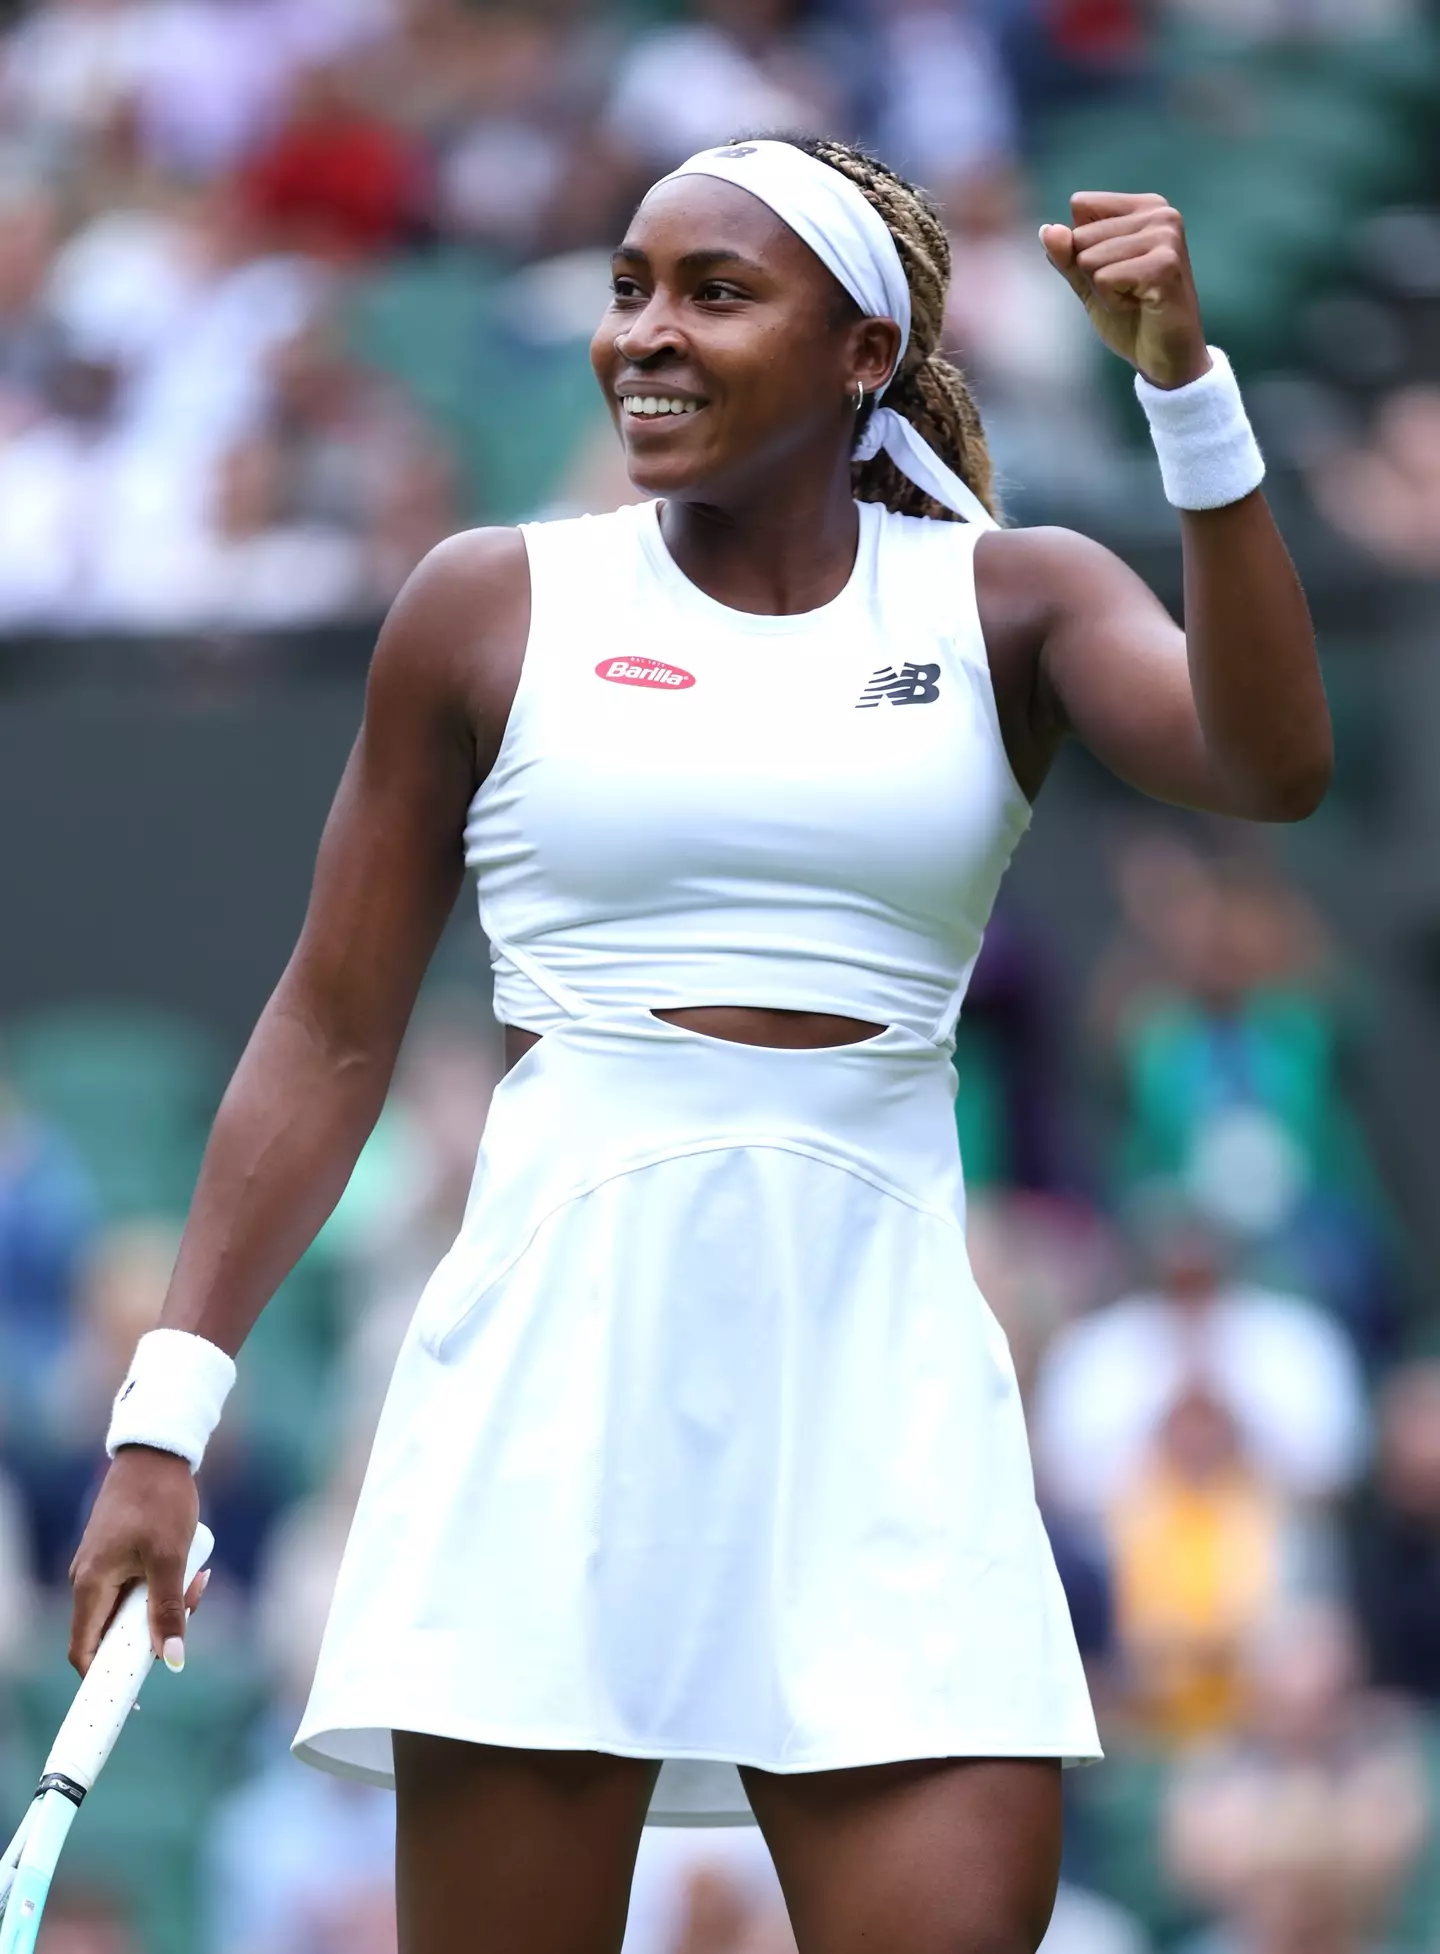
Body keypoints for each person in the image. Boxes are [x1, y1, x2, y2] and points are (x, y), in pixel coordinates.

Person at [67, 131, 1330, 1954]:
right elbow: (331, 1029)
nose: (644, 335)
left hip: (885, 1386)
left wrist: (1189, 399)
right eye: (630, 289)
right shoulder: (488, 604)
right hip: (552, 1385)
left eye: (715, 294)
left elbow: (1270, 765)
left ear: (864, 356)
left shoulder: (1012, 600)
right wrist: (162, 1425)